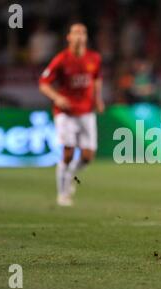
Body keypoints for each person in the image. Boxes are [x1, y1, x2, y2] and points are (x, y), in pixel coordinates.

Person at [39, 23, 105, 206]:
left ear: (86, 37)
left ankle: (69, 175)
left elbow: (97, 78)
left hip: (86, 111)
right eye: (75, 33)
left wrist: (98, 99)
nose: (79, 36)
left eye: (82, 33)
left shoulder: (94, 58)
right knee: (67, 153)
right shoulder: (61, 59)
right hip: (65, 112)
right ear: (68, 37)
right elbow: (43, 83)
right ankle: (62, 194)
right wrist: (57, 97)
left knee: (88, 156)